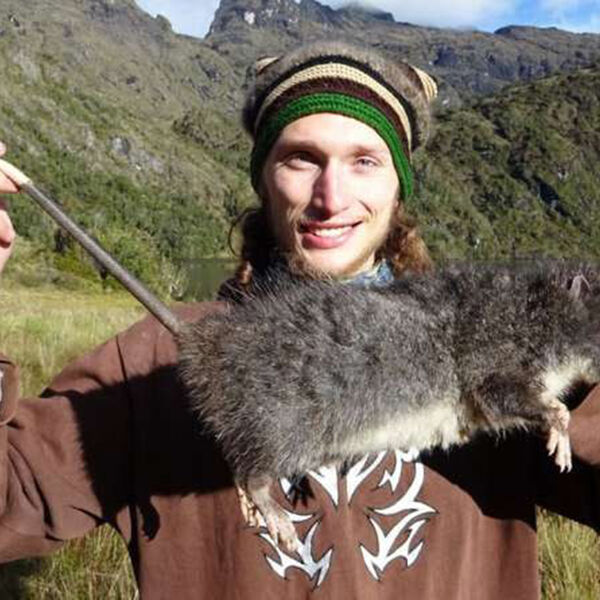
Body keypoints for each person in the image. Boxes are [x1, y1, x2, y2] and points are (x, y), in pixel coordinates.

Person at [0, 41, 599, 599]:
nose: (330, 197)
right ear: (264, 178)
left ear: (399, 186)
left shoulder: (510, 342)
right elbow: (13, 496)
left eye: (365, 161)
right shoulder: (156, 358)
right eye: (301, 159)